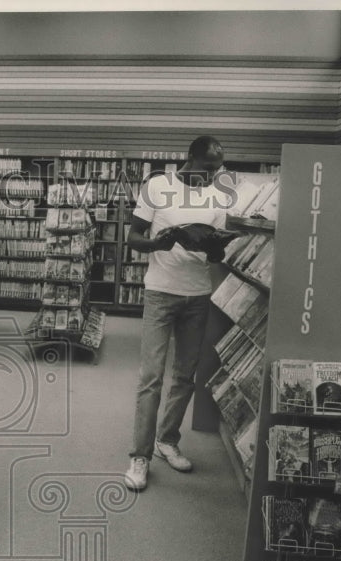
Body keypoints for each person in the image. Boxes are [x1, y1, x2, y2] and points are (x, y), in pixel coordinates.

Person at [123, 135, 240, 491]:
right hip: (160, 291)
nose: (212, 176)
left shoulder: (219, 196)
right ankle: (139, 456)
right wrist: (160, 243)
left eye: (217, 170)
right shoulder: (157, 186)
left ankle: (167, 441)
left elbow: (217, 256)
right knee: (151, 377)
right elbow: (133, 237)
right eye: (207, 168)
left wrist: (217, 248)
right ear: (189, 159)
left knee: (185, 376)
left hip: (198, 294)